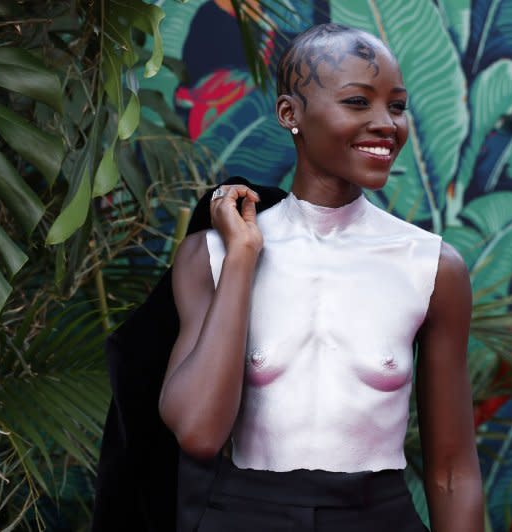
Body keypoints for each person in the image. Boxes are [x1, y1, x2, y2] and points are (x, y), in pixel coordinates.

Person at [158, 23, 484, 532]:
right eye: (358, 102)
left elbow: (451, 471)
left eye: (396, 106)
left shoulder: (433, 267)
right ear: (291, 114)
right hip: (244, 517)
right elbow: (198, 433)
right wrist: (243, 259)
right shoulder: (212, 255)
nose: (386, 124)